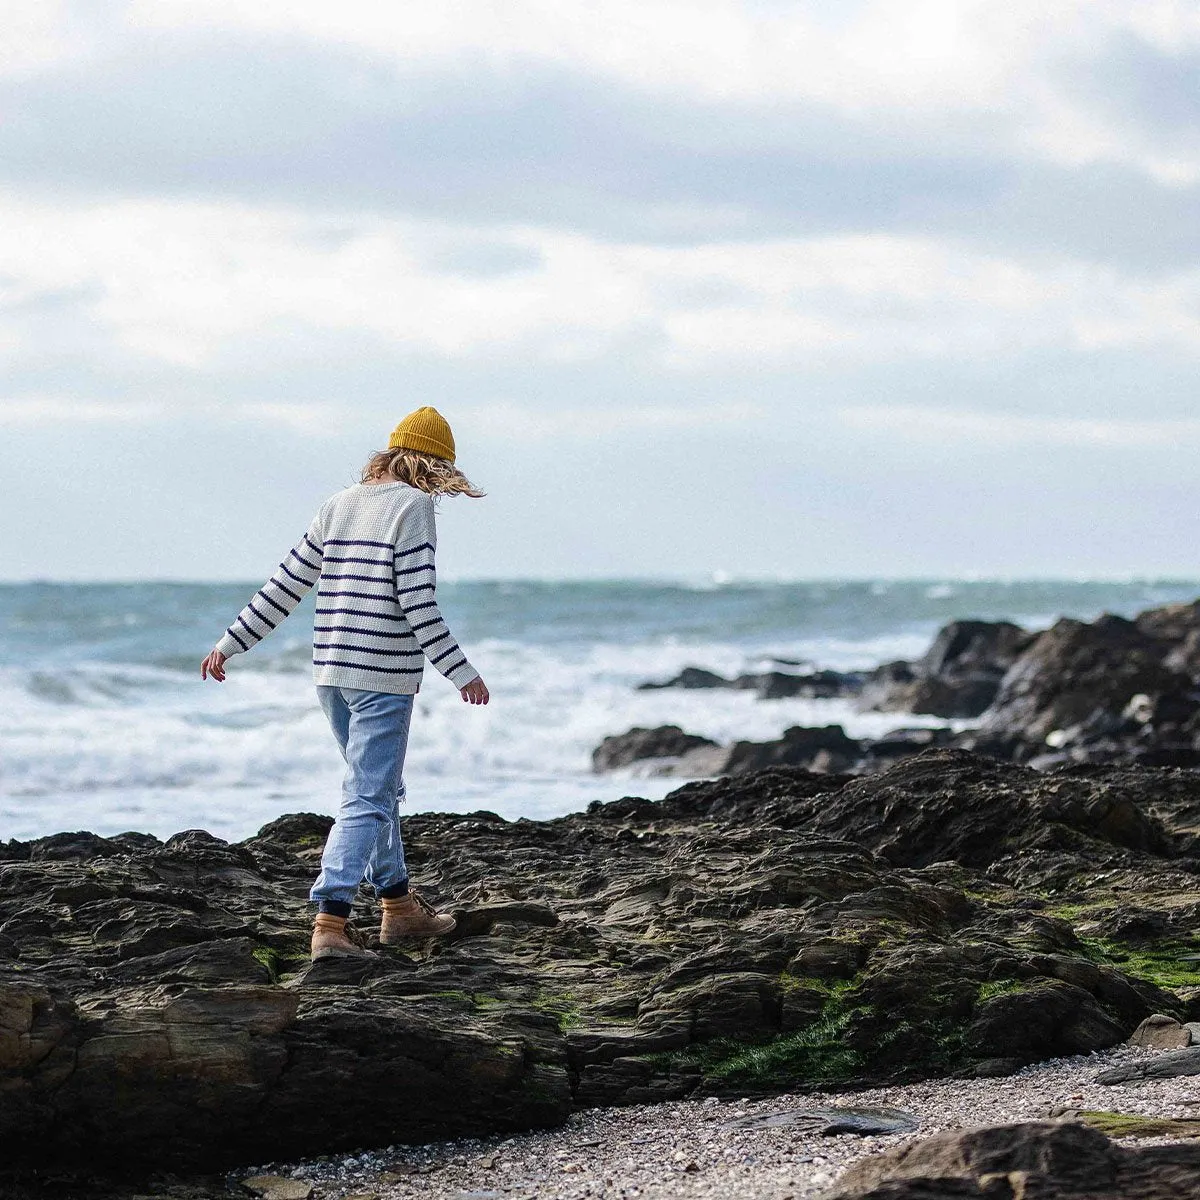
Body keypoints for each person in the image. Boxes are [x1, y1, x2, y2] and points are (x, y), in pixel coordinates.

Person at [200, 406, 489, 961]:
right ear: (431, 466)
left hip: (331, 674)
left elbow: (285, 586)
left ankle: (399, 908)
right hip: (382, 675)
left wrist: (230, 642)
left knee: (377, 793)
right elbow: (417, 601)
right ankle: (331, 922)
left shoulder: (338, 504)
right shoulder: (415, 506)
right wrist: (461, 671)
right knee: (368, 796)